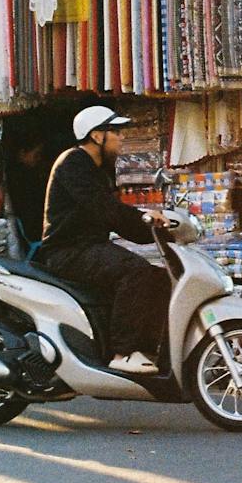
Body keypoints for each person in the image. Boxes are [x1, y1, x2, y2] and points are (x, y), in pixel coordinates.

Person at [38, 105, 172, 375]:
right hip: (67, 252)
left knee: (159, 278)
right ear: (97, 136)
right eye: (116, 133)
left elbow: (114, 217)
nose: (121, 139)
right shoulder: (73, 163)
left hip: (89, 247)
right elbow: (108, 211)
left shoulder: (98, 169)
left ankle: (145, 350)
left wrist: (158, 232)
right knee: (137, 273)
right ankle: (122, 354)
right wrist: (144, 218)